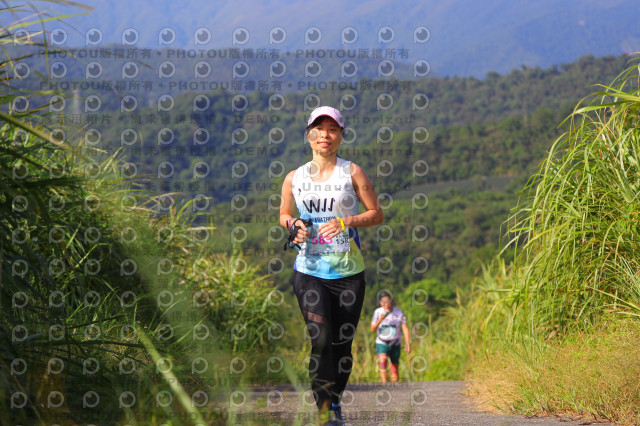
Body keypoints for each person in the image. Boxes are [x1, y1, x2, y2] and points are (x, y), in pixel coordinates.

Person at [280, 106, 384, 425]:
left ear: (340, 136)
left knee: (341, 345)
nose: (325, 135)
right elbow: (284, 214)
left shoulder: (352, 173)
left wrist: (346, 221)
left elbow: (376, 214)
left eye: (332, 129)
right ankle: (325, 411)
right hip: (309, 270)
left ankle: (335, 401)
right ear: (308, 135)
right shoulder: (294, 178)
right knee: (321, 338)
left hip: (349, 273)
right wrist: (294, 225)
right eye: (319, 129)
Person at [370, 291, 411, 383]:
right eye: (383, 303)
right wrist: (380, 319)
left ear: (392, 302)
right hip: (382, 342)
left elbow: (405, 328)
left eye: (388, 302)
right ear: (380, 303)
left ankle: (394, 386)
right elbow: (372, 329)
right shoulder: (377, 312)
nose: (386, 305)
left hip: (395, 342)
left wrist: (408, 343)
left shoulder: (399, 312)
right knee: (382, 361)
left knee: (395, 366)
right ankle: (385, 384)